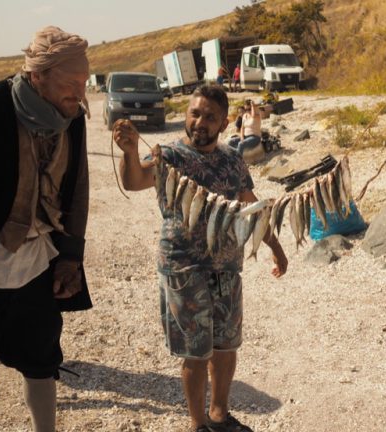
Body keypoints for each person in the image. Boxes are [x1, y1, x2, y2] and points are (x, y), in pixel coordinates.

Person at [114, 84, 288, 432]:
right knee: (196, 351)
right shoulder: (169, 157)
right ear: (186, 116)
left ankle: (219, 415)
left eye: (210, 117)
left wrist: (276, 247)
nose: (200, 122)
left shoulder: (232, 160)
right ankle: (197, 424)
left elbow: (251, 209)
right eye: (195, 113)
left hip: (227, 268)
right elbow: (134, 181)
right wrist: (131, 151)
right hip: (183, 266)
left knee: (226, 345)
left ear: (224, 124)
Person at [0, 26, 92, 432]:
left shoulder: (73, 118)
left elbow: (78, 188)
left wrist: (71, 256)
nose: (79, 92)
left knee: (42, 357)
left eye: (84, 83)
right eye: (70, 83)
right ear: (37, 77)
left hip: (38, 264)